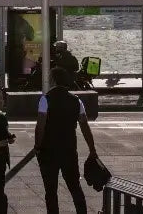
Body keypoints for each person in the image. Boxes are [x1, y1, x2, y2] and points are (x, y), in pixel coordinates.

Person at [35, 66, 98, 214]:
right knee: (75, 186)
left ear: (53, 80)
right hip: (69, 150)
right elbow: (85, 126)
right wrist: (92, 149)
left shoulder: (45, 99)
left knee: (51, 190)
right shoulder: (76, 101)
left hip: (48, 151)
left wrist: (37, 145)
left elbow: (40, 126)